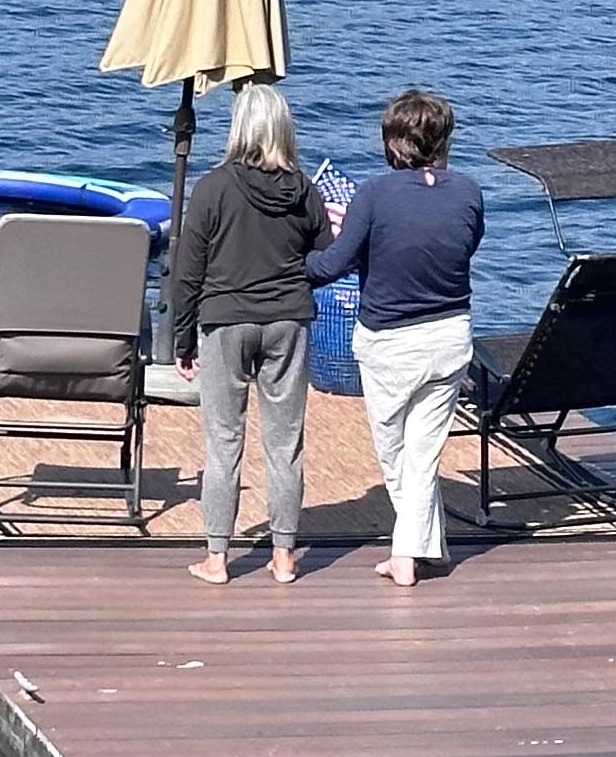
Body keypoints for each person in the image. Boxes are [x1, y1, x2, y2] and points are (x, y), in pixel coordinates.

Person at [300, 87, 484, 587]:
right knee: (424, 453)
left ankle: (404, 559)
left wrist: (291, 262)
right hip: (449, 337)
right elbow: (464, 245)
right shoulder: (467, 190)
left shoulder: (374, 195)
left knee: (397, 453)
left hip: (389, 342)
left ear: (392, 143)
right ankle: (434, 548)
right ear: (443, 140)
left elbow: (331, 267)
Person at [162, 81, 328, 585]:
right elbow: (324, 255)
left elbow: (187, 271)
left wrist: (182, 338)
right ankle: (282, 555)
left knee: (223, 442)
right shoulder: (303, 191)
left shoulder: (214, 187)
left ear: (239, 128)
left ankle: (217, 557)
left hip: (225, 321)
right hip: (287, 321)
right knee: (285, 443)